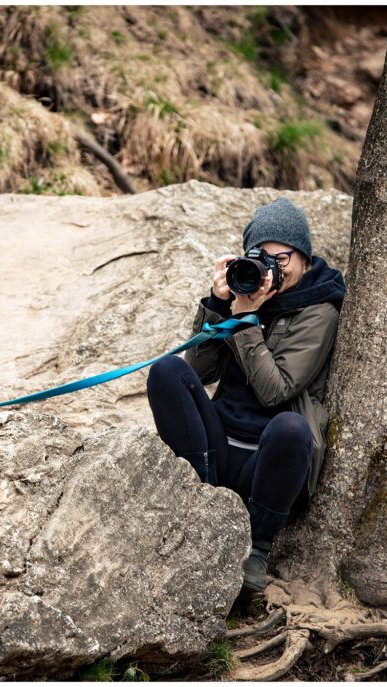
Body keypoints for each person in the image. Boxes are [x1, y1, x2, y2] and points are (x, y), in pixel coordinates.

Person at [146, 197, 346, 597]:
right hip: (217, 447)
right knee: (167, 371)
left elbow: (276, 392)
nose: (272, 268)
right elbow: (199, 370)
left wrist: (247, 320)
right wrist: (220, 306)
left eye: (283, 258)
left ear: (304, 259)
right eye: (261, 257)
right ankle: (202, 508)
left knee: (292, 428)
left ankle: (257, 546)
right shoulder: (244, 293)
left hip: (268, 461)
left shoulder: (319, 311)